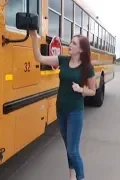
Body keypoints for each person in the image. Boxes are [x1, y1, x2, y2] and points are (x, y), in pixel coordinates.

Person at [29, 30, 96, 180]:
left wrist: (81, 90)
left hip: (75, 111)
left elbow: (93, 90)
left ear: (81, 49)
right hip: (61, 110)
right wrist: (34, 38)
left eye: (73, 43)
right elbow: (39, 58)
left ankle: (80, 177)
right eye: (70, 42)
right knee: (68, 147)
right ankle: (71, 175)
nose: (69, 45)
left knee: (73, 151)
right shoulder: (63, 60)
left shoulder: (87, 68)